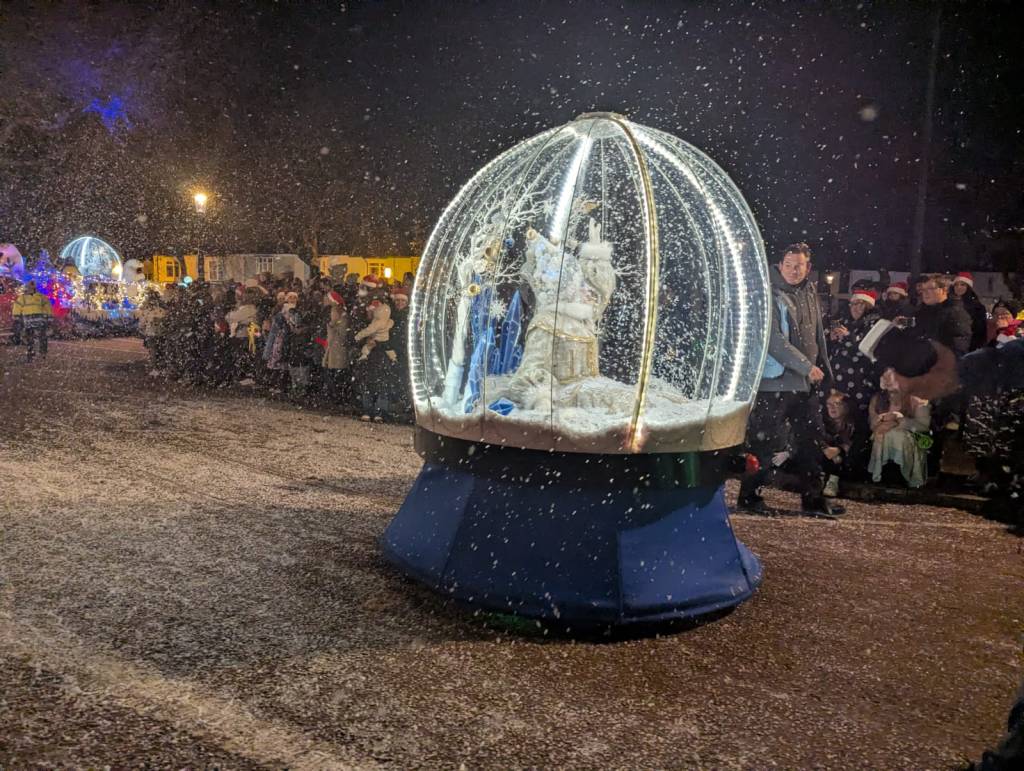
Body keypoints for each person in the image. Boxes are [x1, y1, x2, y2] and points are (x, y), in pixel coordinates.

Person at [739, 242, 840, 518]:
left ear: (808, 267)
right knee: (765, 442)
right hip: (774, 384)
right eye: (789, 265)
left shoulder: (809, 291)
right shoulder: (767, 292)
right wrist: (806, 365)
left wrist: (825, 373)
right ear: (779, 265)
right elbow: (772, 340)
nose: (795, 271)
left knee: (811, 441)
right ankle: (750, 495)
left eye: (800, 265)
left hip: (805, 384)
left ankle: (814, 500)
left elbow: (817, 337)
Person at [867, 373, 931, 488]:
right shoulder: (877, 399)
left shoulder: (918, 399)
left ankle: (902, 473)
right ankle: (883, 471)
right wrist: (884, 422)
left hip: (913, 440)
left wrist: (898, 419)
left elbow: (923, 426)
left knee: (897, 435)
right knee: (884, 434)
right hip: (881, 437)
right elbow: (873, 424)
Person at [828, 288, 881, 424]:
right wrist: (832, 339)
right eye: (854, 304)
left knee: (857, 417)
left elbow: (866, 349)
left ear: (868, 306)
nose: (856, 308)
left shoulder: (874, 324)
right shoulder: (845, 322)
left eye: (861, 304)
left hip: (861, 381)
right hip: (840, 381)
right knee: (838, 418)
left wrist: (847, 337)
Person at [821, 390, 868, 497]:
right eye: (829, 404)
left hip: (848, 465)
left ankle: (832, 482)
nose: (831, 407)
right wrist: (826, 449)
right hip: (826, 458)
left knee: (838, 457)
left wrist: (839, 450)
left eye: (836, 404)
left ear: (846, 406)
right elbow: (818, 439)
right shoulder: (823, 423)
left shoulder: (856, 425)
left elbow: (855, 446)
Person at [913, 274, 972, 356]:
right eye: (923, 289)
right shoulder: (922, 312)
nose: (925, 292)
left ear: (944, 290)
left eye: (931, 288)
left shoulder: (955, 313)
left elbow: (959, 347)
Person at [12, 280, 53, 361]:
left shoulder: (41, 297)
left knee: (42, 337)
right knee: (30, 337)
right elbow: (17, 306)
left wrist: (49, 316)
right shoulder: (22, 298)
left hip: (39, 320)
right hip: (28, 320)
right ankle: (31, 352)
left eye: (32, 287)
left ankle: (42, 352)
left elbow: (48, 306)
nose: (30, 289)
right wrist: (16, 316)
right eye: (29, 287)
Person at [951, 271, 988, 351]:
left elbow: (980, 330)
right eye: (956, 285)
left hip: (968, 347)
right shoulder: (947, 303)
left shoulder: (977, 307)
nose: (959, 287)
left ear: (968, 287)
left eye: (962, 285)